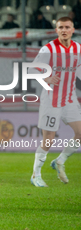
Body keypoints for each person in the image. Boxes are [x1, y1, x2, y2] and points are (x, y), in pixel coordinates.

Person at [30, 17, 81, 187]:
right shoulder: (49, 49)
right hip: (52, 100)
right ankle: (35, 174)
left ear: (73, 30)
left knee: (80, 133)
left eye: (67, 27)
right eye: (61, 27)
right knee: (49, 139)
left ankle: (60, 161)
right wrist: (47, 77)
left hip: (70, 99)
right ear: (56, 30)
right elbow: (32, 68)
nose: (64, 30)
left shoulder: (78, 49)